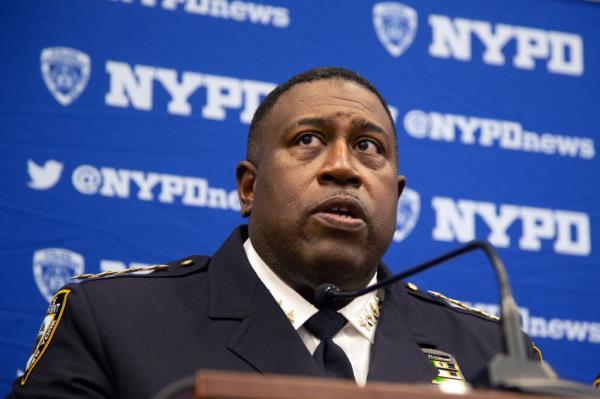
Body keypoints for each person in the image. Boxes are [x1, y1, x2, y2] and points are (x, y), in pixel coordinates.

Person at [8, 67, 539, 398]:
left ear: (395, 196)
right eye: (308, 139)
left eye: (368, 147)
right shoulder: (114, 321)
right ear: (248, 187)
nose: (343, 168)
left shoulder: (489, 350)